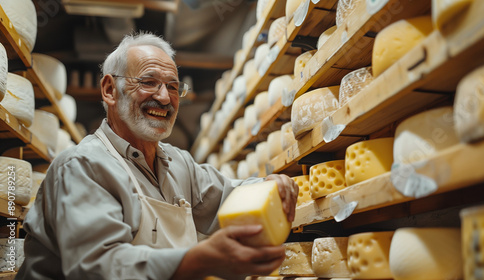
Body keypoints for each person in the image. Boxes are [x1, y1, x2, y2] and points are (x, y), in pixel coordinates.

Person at [16, 32, 298, 280]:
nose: (164, 98)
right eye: (148, 82)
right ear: (110, 90)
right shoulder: (82, 167)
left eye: (173, 87)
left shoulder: (178, 163)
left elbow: (229, 196)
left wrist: (272, 186)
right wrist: (200, 261)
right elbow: (99, 268)